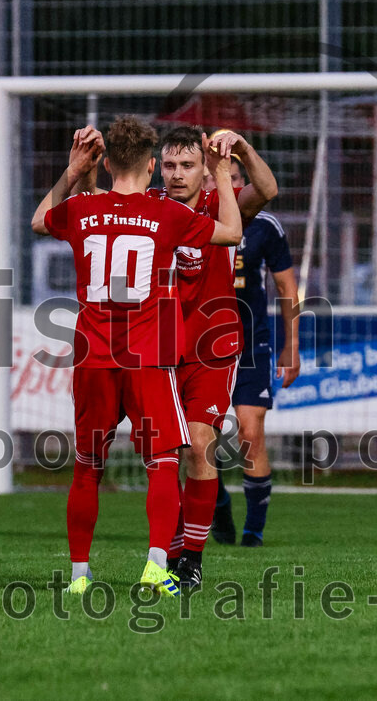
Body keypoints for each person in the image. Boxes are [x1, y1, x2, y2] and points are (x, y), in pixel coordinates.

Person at [31, 117, 243, 598]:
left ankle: (80, 577)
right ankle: (155, 566)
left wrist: (71, 171)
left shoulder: (83, 209)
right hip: (148, 357)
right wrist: (223, 171)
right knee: (163, 463)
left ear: (105, 163)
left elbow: (41, 220)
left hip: (92, 359)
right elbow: (231, 232)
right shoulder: (163, 214)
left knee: (87, 466)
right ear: (151, 167)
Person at [152, 126, 278, 588]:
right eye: (170, 165)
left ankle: (191, 562)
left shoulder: (220, 205)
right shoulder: (150, 209)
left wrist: (241, 148)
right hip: (161, 346)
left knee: (200, 443)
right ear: (157, 168)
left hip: (212, 346)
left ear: (204, 170)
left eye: (187, 165)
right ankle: (174, 547)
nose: (178, 174)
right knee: (166, 453)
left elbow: (267, 189)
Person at [210, 156, 300, 547]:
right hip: (204, 346)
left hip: (251, 345)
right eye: (218, 179)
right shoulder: (193, 219)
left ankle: (253, 532)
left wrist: (291, 346)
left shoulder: (265, 226)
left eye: (232, 179)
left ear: (244, 184)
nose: (225, 187)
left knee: (251, 433)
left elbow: (287, 290)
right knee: (200, 441)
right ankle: (216, 505)